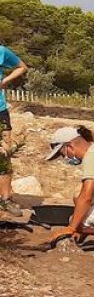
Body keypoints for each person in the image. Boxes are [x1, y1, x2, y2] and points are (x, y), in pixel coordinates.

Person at [0, 43, 28, 216]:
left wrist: (4, 81)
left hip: (0, 110)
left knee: (4, 153)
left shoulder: (1, 51)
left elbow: (22, 67)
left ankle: (5, 198)